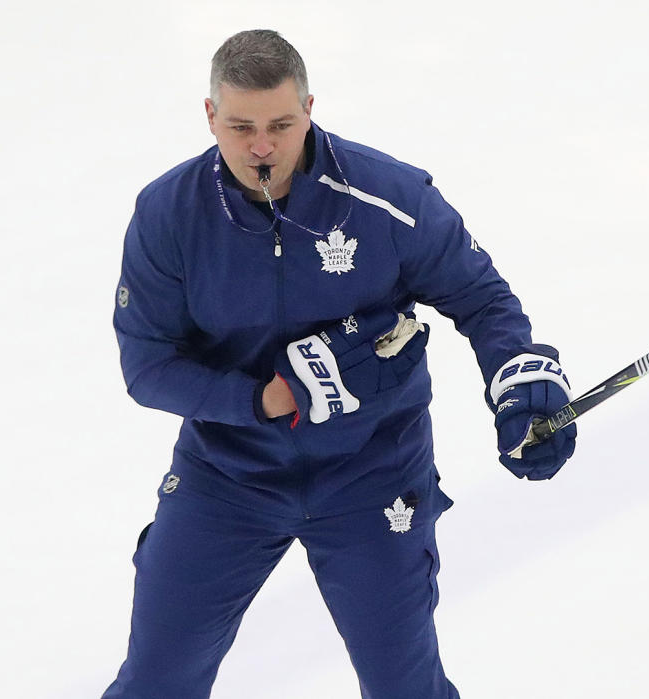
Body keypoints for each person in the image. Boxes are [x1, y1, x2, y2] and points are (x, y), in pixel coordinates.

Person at [103, 29, 576, 699]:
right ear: (210, 116)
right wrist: (260, 401)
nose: (261, 145)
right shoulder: (167, 215)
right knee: (155, 682)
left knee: (404, 688)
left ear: (310, 109)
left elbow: (481, 298)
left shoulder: (386, 195)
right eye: (240, 126)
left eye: (281, 124)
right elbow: (147, 365)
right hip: (227, 478)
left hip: (372, 474)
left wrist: (521, 381)